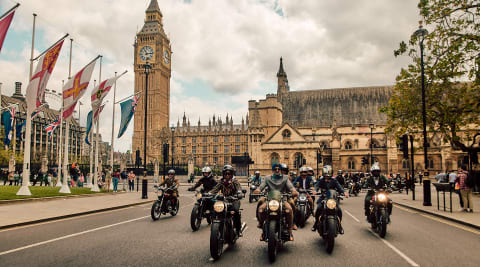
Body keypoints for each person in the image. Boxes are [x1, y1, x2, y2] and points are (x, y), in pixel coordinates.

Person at [254, 163, 298, 241]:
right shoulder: (267, 178)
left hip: (282, 199)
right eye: (275, 169)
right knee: (261, 209)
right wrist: (258, 190)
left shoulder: (285, 178)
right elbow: (261, 186)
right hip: (270, 200)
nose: (277, 170)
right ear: (273, 170)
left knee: (289, 210)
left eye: (279, 169)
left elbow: (290, 187)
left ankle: (290, 230)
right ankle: (262, 227)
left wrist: (294, 191)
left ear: (281, 170)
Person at [209, 165, 244, 237]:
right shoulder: (221, 182)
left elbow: (239, 188)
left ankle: (238, 229)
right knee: (214, 210)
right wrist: (209, 193)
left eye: (229, 173)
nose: (227, 175)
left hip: (234, 200)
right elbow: (215, 189)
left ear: (232, 174)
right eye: (226, 173)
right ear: (223, 174)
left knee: (236, 212)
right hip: (224, 200)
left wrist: (239, 193)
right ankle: (214, 226)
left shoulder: (235, 181)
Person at [311, 165, 348, 233]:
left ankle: (340, 226)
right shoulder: (321, 180)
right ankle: (316, 223)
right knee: (319, 208)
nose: (327, 176)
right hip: (324, 197)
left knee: (339, 210)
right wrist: (315, 190)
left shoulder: (334, 180)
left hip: (332, 198)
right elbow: (317, 185)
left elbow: (339, 187)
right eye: (326, 175)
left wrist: (344, 192)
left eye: (328, 175)